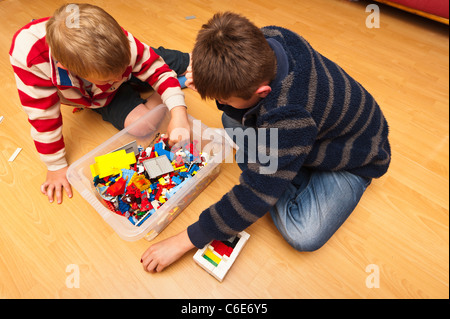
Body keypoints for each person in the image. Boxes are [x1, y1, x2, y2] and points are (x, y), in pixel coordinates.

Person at [140, 11, 391, 273]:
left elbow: (253, 194)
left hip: (352, 158)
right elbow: (244, 109)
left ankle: (277, 175)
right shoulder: (271, 37)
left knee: (303, 234)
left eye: (223, 99)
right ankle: (278, 169)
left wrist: (185, 240)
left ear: (263, 92)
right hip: (311, 132)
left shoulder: (290, 116)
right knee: (231, 122)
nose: (220, 103)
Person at [9, 3, 191, 205]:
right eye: (108, 79)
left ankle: (172, 74)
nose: (118, 78)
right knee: (142, 126)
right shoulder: (30, 58)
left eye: (120, 73)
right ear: (68, 69)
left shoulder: (121, 45)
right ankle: (170, 85)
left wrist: (179, 115)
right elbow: (43, 117)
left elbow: (157, 69)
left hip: (124, 63)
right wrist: (55, 166)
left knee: (178, 63)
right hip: (96, 97)